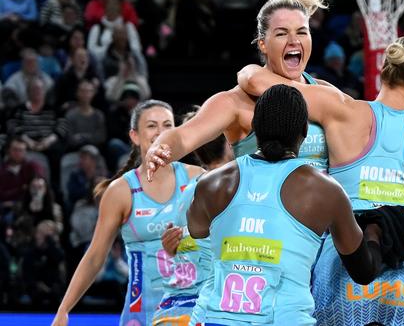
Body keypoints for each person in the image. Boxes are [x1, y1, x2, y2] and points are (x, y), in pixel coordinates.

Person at [238, 35, 404, 325]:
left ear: (383, 72)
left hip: (342, 266)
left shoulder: (340, 108)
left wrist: (247, 72)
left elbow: (257, 83)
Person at [187, 85, 385, 325]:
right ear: (304, 130)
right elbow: (363, 272)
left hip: (211, 318)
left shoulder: (210, 183)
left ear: (255, 128)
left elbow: (197, 230)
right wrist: (374, 232)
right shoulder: (326, 190)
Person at [145, 0, 332, 178]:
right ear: (262, 43)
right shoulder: (235, 102)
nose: (293, 41)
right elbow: (183, 136)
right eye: (281, 33)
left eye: (301, 32)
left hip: (320, 209)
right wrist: (160, 148)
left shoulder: (325, 91)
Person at [51, 100, 204, 326]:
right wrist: (64, 310)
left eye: (167, 125)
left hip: (191, 312)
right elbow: (95, 257)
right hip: (143, 314)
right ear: (134, 136)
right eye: (152, 126)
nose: (161, 133)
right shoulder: (121, 191)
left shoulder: (198, 177)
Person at [152, 108, 233, 326]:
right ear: (228, 143)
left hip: (172, 308)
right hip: (207, 310)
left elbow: (180, 251)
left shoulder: (187, 192)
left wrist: (171, 249)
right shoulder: (233, 186)